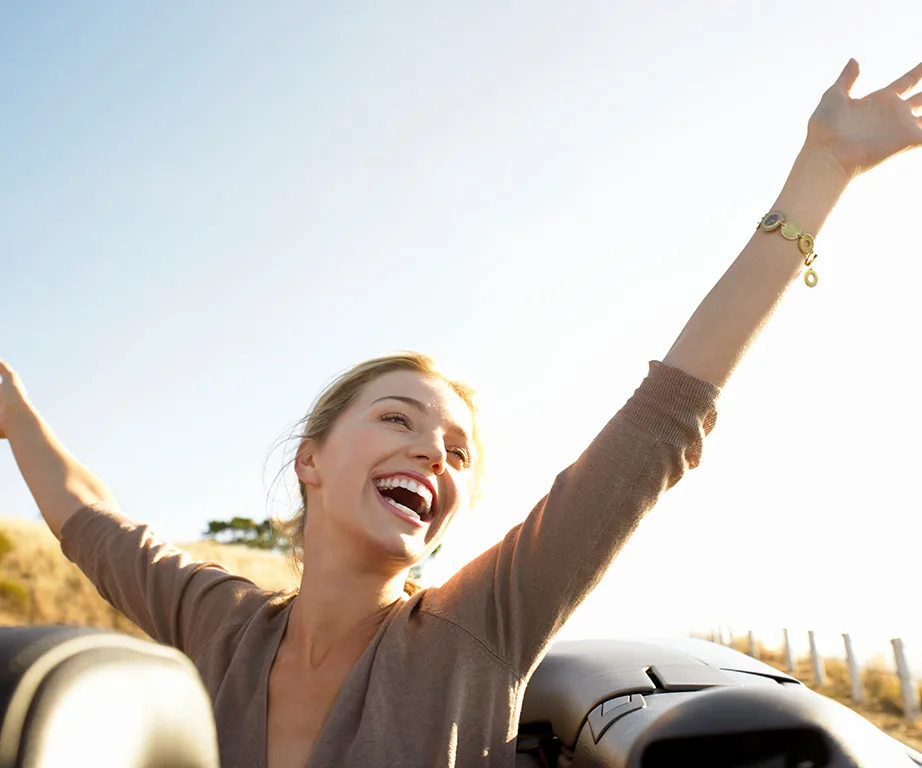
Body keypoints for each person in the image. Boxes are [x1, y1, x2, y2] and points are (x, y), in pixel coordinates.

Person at [1, 58, 921, 768]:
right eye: (399, 420)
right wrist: (13, 412)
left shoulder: (480, 622)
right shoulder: (220, 624)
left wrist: (822, 172)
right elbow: (91, 520)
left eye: (457, 452)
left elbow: (661, 421)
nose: (434, 455)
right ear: (311, 461)